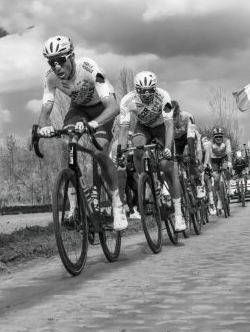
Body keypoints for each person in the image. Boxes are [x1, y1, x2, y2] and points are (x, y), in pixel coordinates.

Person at [37, 35, 128, 231]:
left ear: (71, 56)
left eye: (61, 60)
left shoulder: (87, 67)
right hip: (78, 109)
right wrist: (43, 126)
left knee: (100, 151)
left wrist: (94, 123)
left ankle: (117, 203)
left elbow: (113, 107)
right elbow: (45, 111)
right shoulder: (50, 77)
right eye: (52, 62)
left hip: (101, 109)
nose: (57, 66)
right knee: (67, 143)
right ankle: (75, 205)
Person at [117, 71, 187, 232]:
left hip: (162, 128)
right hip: (143, 128)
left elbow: (170, 126)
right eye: (143, 91)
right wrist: (121, 151)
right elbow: (123, 129)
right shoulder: (128, 101)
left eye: (150, 90)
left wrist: (168, 149)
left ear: (155, 88)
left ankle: (178, 214)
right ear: (136, 90)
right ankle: (145, 179)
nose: (147, 94)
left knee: (167, 167)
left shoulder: (163, 96)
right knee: (137, 146)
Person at [171, 100, 205, 199]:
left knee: (189, 158)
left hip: (188, 138)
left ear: (179, 113)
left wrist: (191, 154)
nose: (174, 119)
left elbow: (190, 137)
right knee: (173, 162)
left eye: (175, 116)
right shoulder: (166, 121)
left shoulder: (187, 116)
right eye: (171, 117)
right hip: (176, 141)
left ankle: (199, 185)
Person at [203, 127, 232, 214]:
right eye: (216, 137)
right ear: (213, 137)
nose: (218, 138)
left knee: (226, 169)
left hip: (223, 158)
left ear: (222, 136)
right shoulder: (210, 143)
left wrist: (230, 162)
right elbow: (207, 154)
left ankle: (229, 188)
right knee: (216, 179)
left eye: (220, 136)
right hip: (214, 160)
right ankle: (219, 200)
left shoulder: (227, 141)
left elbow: (229, 153)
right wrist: (207, 164)